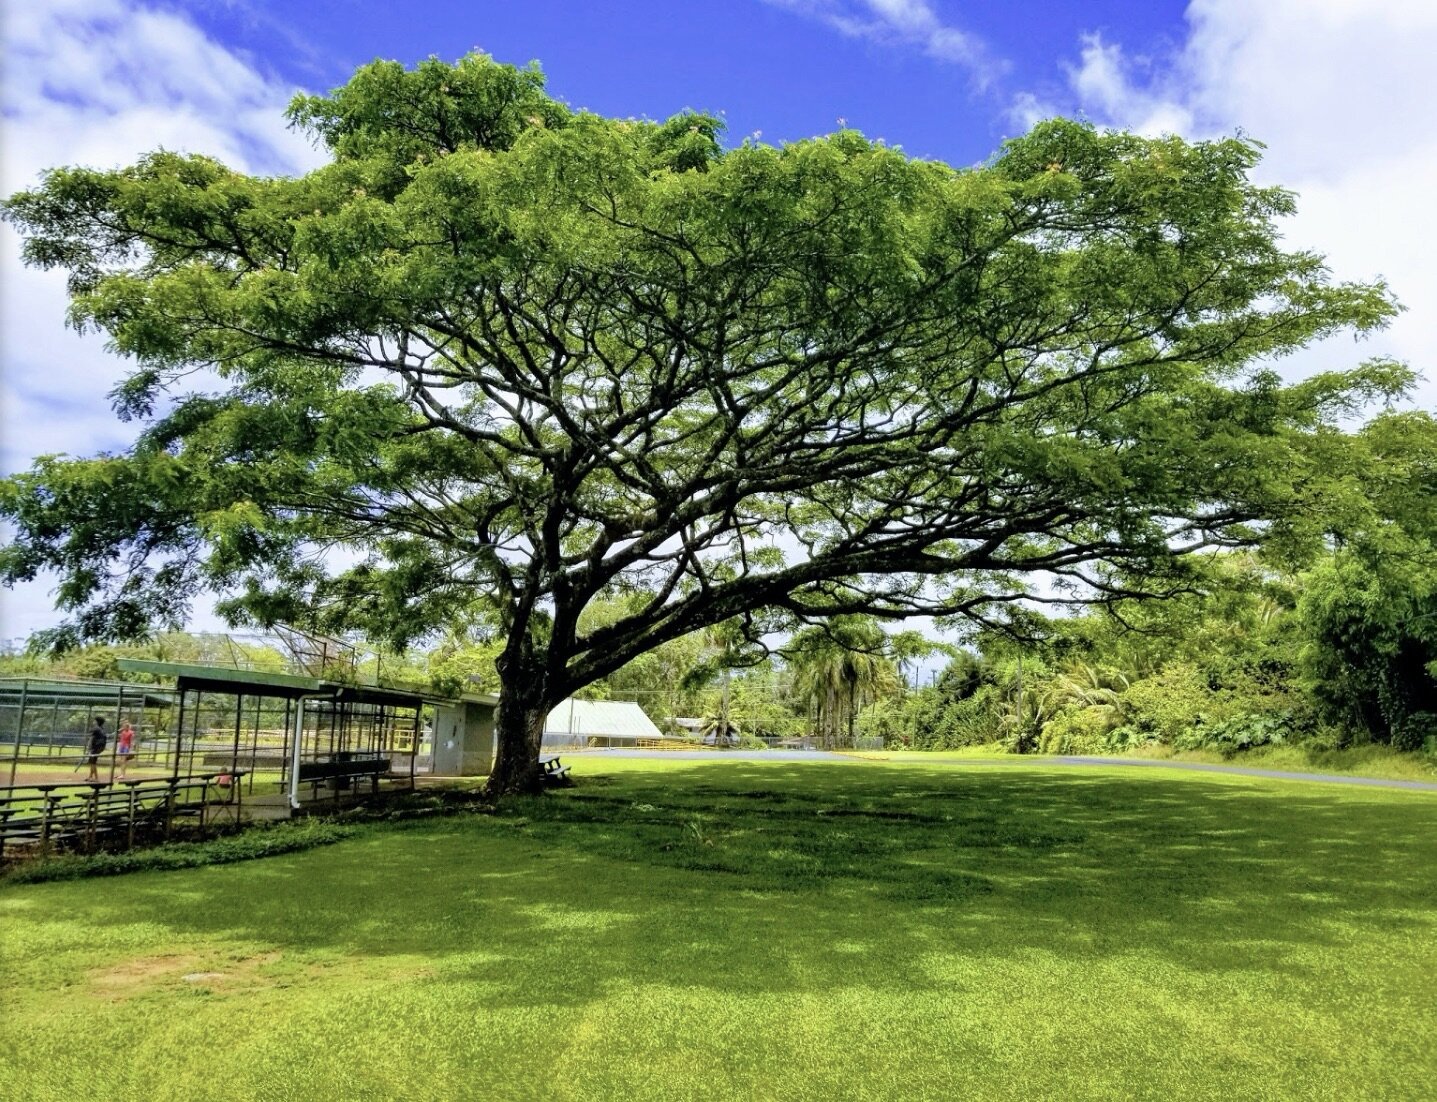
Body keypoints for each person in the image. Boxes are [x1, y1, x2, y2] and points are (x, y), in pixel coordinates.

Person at [85, 716, 108, 782]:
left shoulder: (96, 729)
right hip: (100, 747)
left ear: (97, 722)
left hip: (96, 747)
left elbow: (90, 735)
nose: (93, 722)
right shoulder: (102, 728)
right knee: (92, 761)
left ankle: (96, 778)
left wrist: (89, 748)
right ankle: (90, 777)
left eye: (94, 721)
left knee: (93, 762)